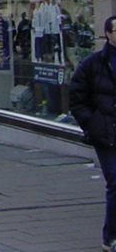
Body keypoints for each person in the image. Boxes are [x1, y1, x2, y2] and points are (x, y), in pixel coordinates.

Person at [69, 13, 116, 252]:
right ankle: (110, 237)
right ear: (107, 34)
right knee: (115, 182)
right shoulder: (93, 64)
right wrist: (93, 124)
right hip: (107, 134)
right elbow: (77, 99)